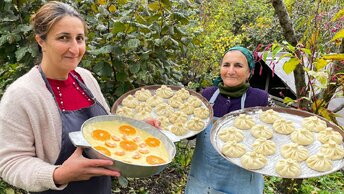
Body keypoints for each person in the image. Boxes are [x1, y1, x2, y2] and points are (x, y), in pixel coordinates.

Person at [0, 1, 159, 193]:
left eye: (79, 38)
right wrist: (58, 174)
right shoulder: (21, 95)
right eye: (64, 38)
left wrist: (137, 131)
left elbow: (107, 130)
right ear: (41, 41)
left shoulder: (85, 78)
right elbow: (10, 163)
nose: (75, 49)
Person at [185, 46, 273, 194]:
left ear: (249, 72)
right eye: (226, 65)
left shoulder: (262, 100)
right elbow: (190, 133)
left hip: (242, 185)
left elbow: (274, 139)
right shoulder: (206, 96)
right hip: (202, 182)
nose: (231, 71)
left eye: (238, 66)